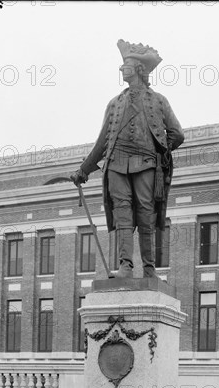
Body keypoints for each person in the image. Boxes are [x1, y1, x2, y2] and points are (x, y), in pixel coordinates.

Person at [70, 39, 185, 278]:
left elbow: (177, 134)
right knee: (123, 213)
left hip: (146, 163)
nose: (122, 69)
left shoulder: (158, 100)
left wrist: (161, 152)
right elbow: (102, 142)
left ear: (140, 70)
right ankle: (125, 266)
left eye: (127, 65)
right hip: (116, 164)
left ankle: (149, 268)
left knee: (145, 213)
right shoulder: (114, 104)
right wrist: (84, 170)